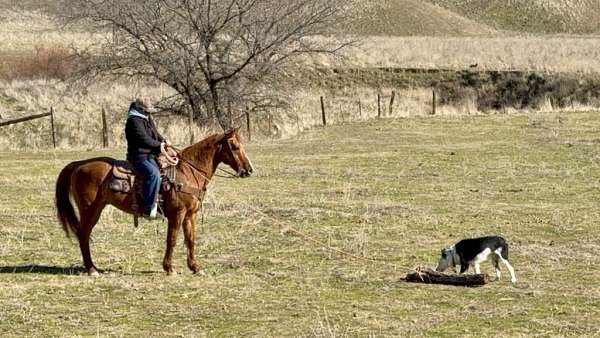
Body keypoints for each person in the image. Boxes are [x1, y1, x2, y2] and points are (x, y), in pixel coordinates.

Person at [125, 98, 170, 218]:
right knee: (153, 173)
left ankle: (162, 201)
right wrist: (158, 145)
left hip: (150, 154)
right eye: (147, 111)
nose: (149, 113)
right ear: (140, 109)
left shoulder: (146, 117)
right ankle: (148, 208)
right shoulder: (133, 121)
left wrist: (163, 140)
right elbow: (144, 139)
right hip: (138, 156)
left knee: (166, 170)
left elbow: (155, 133)